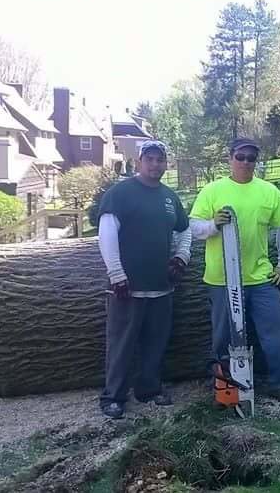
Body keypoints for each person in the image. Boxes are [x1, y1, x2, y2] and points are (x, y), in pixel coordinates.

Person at [189, 137, 280, 406]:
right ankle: (226, 388)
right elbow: (194, 228)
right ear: (230, 158)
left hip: (260, 277)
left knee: (276, 327)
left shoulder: (268, 191)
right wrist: (213, 225)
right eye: (241, 157)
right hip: (222, 279)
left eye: (251, 158)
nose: (246, 162)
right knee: (224, 335)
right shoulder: (212, 191)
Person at [97, 140, 192, 419]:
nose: (155, 165)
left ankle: (149, 389)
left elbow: (184, 230)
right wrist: (116, 273)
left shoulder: (169, 197)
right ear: (138, 162)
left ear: (166, 163)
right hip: (127, 287)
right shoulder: (120, 194)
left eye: (160, 160)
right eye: (149, 159)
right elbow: (106, 233)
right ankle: (113, 397)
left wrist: (181, 258)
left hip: (161, 287)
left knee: (156, 342)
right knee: (121, 344)